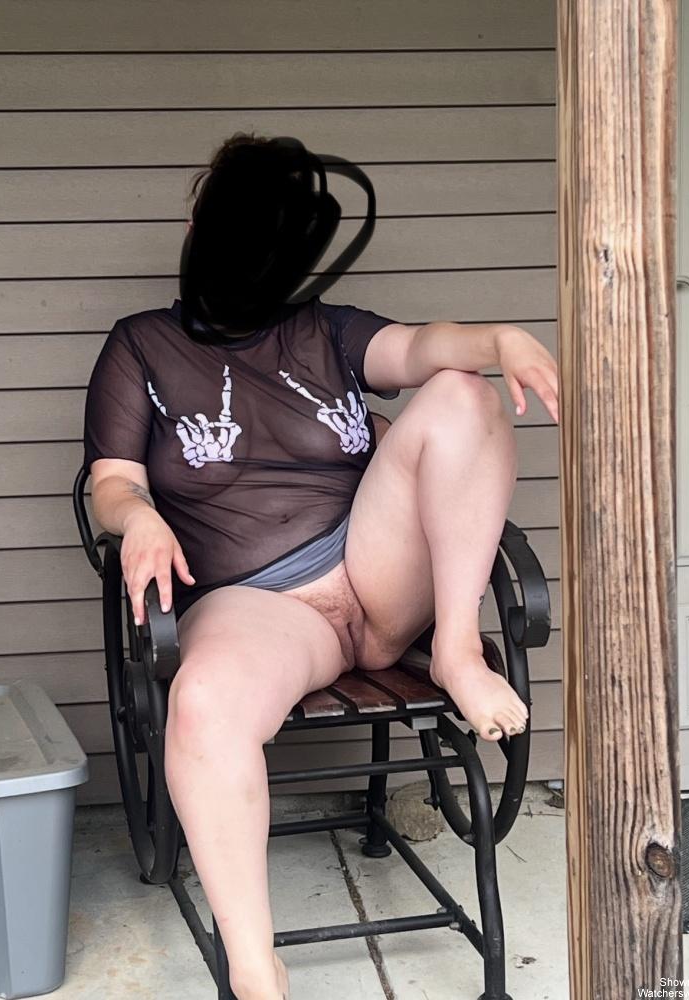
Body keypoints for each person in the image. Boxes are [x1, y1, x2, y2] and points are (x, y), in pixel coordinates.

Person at [83, 131, 559, 1000]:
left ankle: (456, 650)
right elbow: (110, 482)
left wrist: (500, 338)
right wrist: (139, 515)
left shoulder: (327, 331)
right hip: (258, 606)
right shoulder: (141, 346)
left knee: (459, 389)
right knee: (203, 703)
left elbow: (422, 347)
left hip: (376, 570)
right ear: (198, 234)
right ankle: (256, 968)